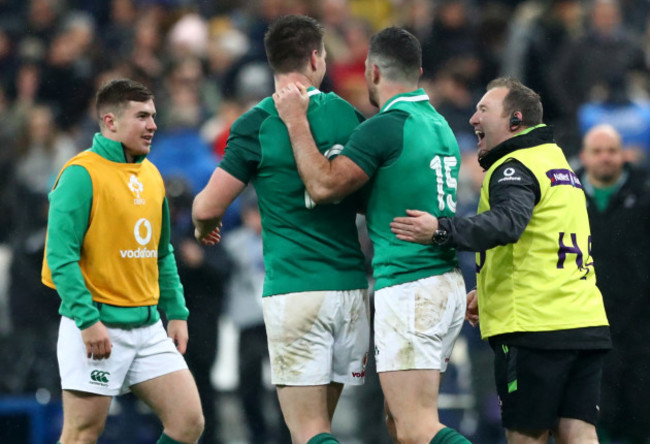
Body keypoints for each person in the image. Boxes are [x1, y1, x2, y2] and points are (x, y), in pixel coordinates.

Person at [274, 26, 470, 444]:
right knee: (400, 424)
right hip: (445, 284)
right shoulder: (439, 126)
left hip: (410, 286)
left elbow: (324, 187)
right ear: (417, 71)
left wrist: (295, 123)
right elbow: (388, 195)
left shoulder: (385, 126)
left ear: (372, 72)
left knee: (416, 426)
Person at [390, 77, 611, 444]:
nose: (474, 118)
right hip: (583, 321)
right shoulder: (558, 165)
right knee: (580, 433)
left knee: (526, 435)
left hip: (536, 329)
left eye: (483, 110)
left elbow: (508, 223)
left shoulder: (513, 166)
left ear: (515, 120)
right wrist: (489, 291)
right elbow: (540, 242)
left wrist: (440, 230)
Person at [192, 15, 370, 444]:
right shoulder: (347, 114)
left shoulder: (257, 122)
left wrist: (205, 227)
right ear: (315, 58)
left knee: (307, 432)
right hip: (349, 288)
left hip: (295, 290)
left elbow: (207, 204)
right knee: (322, 427)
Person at [41, 78, 204, 444]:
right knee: (83, 433)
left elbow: (162, 251)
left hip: (148, 326)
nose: (153, 126)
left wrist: (176, 311)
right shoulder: (80, 174)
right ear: (110, 122)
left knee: (188, 423)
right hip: (98, 325)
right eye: (142, 116)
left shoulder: (152, 175)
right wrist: (87, 320)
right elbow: (60, 257)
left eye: (154, 116)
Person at [577, 124, 650, 443]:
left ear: (624, 154)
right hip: (587, 324)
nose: (605, 158)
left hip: (640, 327)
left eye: (612, 150)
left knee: (640, 411)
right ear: (583, 156)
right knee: (592, 413)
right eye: (597, 151)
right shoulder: (565, 198)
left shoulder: (645, 194)